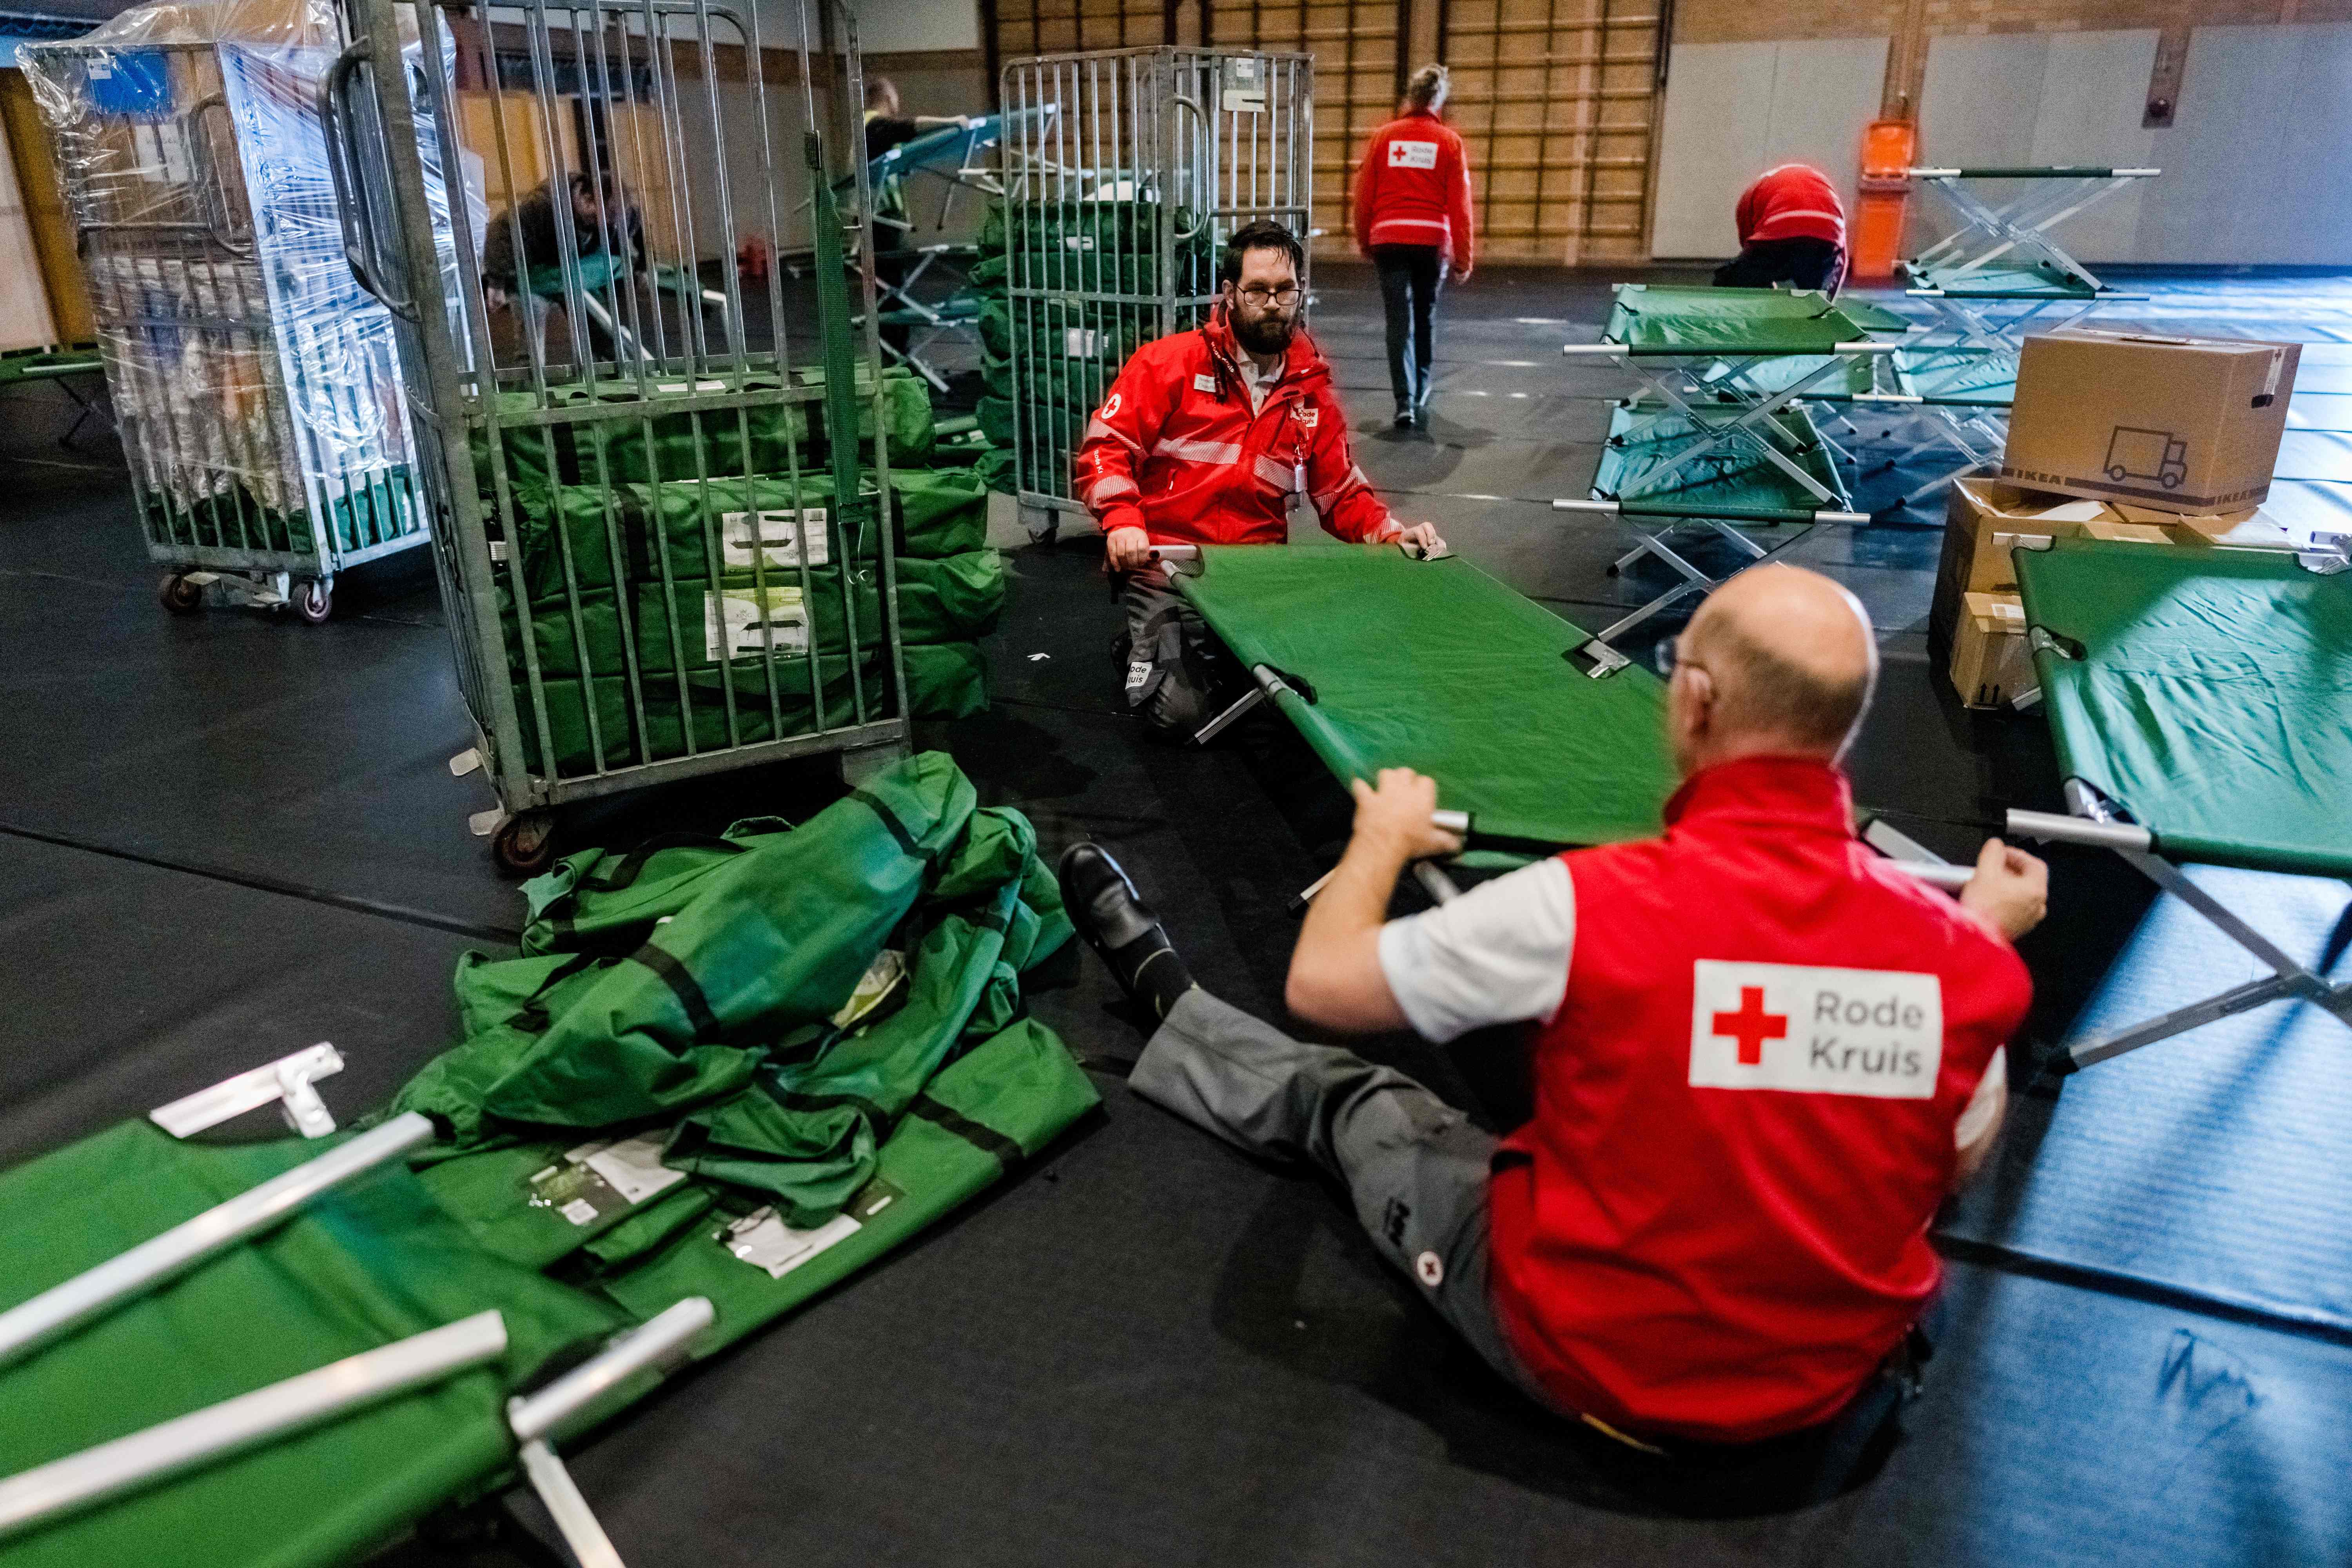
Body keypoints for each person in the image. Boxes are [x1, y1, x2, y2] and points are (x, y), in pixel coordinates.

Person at [1056, 563, 2047, 1477]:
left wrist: (1379, 841)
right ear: (1847, 726)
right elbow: (1952, 1160)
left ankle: (1170, 1001)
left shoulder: (1588, 903)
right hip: (1827, 1391)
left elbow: (1323, 982)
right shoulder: (1962, 958)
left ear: (1693, 701)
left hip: (1589, 1361)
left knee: (1356, 1095)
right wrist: (1978, 937)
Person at [1072, 219, 1445, 738]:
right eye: (1258, 291)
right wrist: (1122, 523)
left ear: (1300, 293)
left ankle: (1202, 652)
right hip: (1172, 573)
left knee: (1330, 682)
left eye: (1285, 290)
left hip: (1257, 580)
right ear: (1230, 294)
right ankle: (1150, 644)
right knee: (1186, 716)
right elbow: (1104, 452)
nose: (1273, 303)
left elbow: (1340, 493)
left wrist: (1389, 534)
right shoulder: (1166, 365)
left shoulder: (1309, 392)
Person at [1351, 64, 1475, 428]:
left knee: (1397, 320)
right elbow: (1460, 207)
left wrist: (1364, 240)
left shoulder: (1384, 138)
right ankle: (1422, 386)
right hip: (1431, 242)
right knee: (1424, 315)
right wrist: (1463, 258)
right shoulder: (1450, 142)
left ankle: (1402, 402)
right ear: (1439, 100)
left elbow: (1363, 197)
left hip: (1388, 239)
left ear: (1410, 96)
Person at [480, 167, 647, 354]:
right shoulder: (544, 203)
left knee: (601, 327)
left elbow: (635, 223)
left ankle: (612, 369)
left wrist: (644, 264)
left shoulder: (616, 210)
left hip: (574, 272)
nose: (598, 225)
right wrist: (496, 283)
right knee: (532, 337)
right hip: (535, 272)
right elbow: (502, 230)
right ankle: (532, 379)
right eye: (594, 218)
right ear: (586, 198)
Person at [1715, 163, 1847, 294]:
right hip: (1828, 233)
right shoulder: (1815, 184)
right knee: (1814, 292)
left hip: (1781, 228)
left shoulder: (1748, 200)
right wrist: (1828, 300)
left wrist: (1762, 281)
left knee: (1727, 279)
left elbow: (1750, 248)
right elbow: (1842, 257)